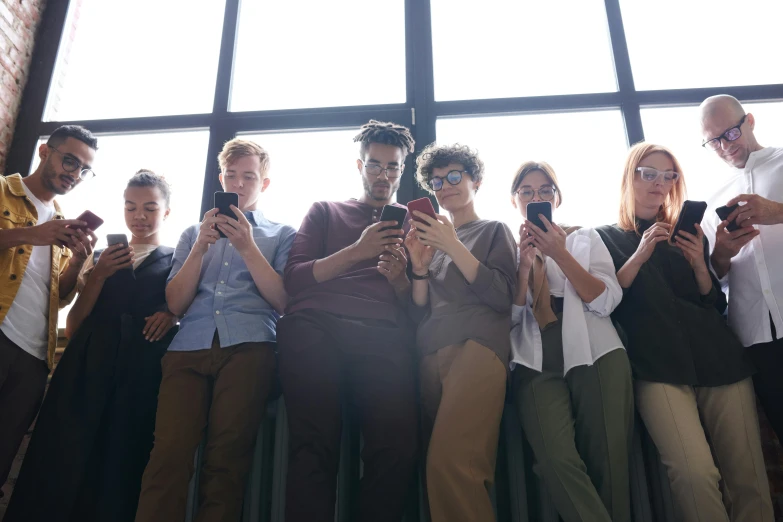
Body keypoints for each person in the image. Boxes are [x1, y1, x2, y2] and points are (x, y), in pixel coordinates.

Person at [596, 142, 773, 522]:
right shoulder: (602, 238)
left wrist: (698, 264)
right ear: (630, 176)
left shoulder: (691, 234)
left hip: (721, 360)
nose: (659, 184)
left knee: (748, 478)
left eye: (668, 176)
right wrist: (641, 252)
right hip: (656, 368)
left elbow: (712, 302)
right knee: (694, 475)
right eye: (649, 174)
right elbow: (605, 301)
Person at [134, 139, 296, 522]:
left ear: (264, 183)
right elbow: (175, 304)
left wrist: (247, 246)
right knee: (168, 454)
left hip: (250, 347)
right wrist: (200, 249)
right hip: (188, 348)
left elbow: (285, 300)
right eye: (232, 176)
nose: (239, 184)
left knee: (228, 457)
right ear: (220, 178)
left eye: (249, 177)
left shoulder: (282, 233)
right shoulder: (193, 232)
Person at [4, 170, 177, 522]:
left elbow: (182, 306)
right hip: (86, 365)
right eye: (130, 207)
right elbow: (75, 323)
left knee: (120, 460)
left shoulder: (178, 260)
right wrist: (97, 275)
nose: (139, 216)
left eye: (149, 208)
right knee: (61, 455)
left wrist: (171, 313)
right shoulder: (99, 256)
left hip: (141, 372)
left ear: (166, 212)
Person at [278, 120, 417, 522]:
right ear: (360, 166)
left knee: (396, 446)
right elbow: (296, 278)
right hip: (316, 325)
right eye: (375, 165)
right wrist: (358, 251)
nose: (383, 175)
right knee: (313, 443)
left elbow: (418, 306)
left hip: (384, 334)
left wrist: (400, 280)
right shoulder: (325, 210)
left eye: (392, 167)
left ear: (402, 170)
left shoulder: (413, 222)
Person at [508, 161, 632, 522]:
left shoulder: (583, 238)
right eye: (527, 191)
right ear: (514, 200)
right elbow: (511, 321)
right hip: (535, 357)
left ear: (557, 198)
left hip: (597, 351)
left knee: (610, 460)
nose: (537, 197)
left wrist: (559, 252)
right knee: (552, 459)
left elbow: (606, 300)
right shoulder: (508, 246)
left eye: (545, 190)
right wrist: (522, 266)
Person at [406, 143, 516, 522]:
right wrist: (419, 267)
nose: (445, 186)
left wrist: (452, 245)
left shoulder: (493, 230)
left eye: (454, 176)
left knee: (452, 465)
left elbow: (502, 296)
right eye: (437, 181)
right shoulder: (433, 244)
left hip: (477, 346)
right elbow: (420, 307)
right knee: (441, 471)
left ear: (476, 181)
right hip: (431, 352)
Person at [0, 125, 98, 491]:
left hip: (34, 359)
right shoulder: (3, 191)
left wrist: (75, 263)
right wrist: (29, 234)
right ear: (44, 151)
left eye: (84, 169)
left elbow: (59, 295)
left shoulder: (61, 223)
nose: (75, 173)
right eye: (69, 161)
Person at [699, 94, 783, 441]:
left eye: (730, 134)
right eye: (713, 141)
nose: (724, 146)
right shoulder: (714, 200)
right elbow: (714, 276)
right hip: (757, 339)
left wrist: (776, 212)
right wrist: (720, 253)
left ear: (749, 121)